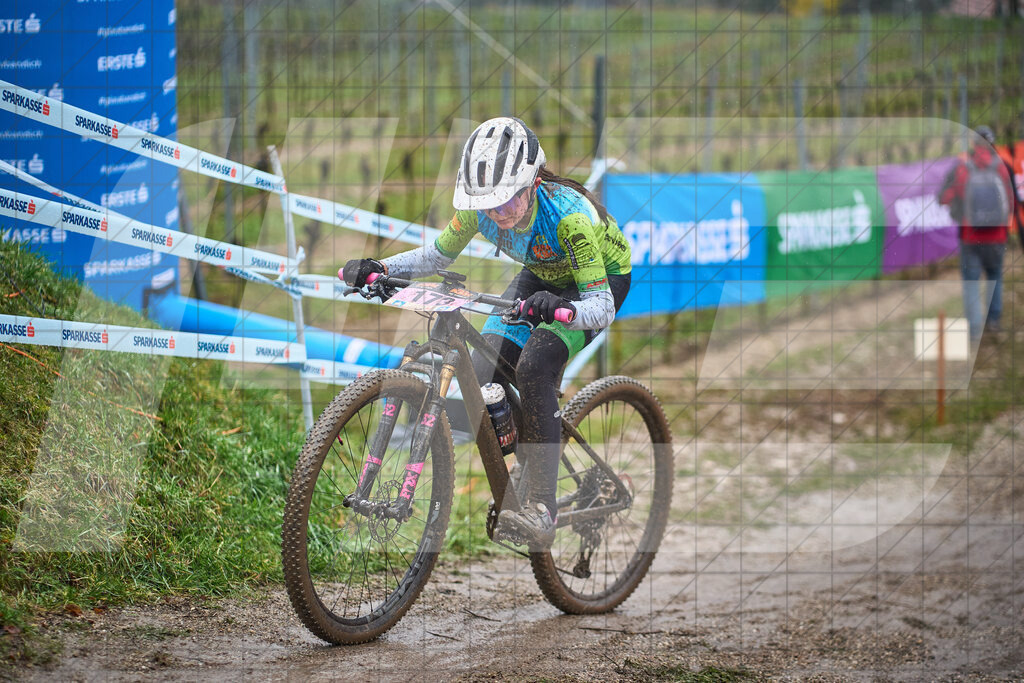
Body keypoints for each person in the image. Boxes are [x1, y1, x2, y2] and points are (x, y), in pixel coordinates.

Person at [341, 117, 632, 548]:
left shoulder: (569, 220)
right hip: (540, 275)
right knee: (483, 370)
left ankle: (543, 509)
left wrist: (564, 308)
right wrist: (381, 267)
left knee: (534, 367)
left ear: (533, 183)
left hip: (595, 284)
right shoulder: (480, 213)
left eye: (508, 201)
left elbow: (602, 307)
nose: (498, 213)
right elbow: (436, 256)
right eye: (489, 204)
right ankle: (534, 453)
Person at [938, 125, 1014, 342]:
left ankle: (973, 329)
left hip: (970, 236)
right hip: (997, 236)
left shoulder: (962, 167)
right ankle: (993, 322)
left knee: (971, 282)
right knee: (994, 276)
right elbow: (1012, 202)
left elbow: (943, 197)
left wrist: (959, 209)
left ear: (973, 144)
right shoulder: (1002, 167)